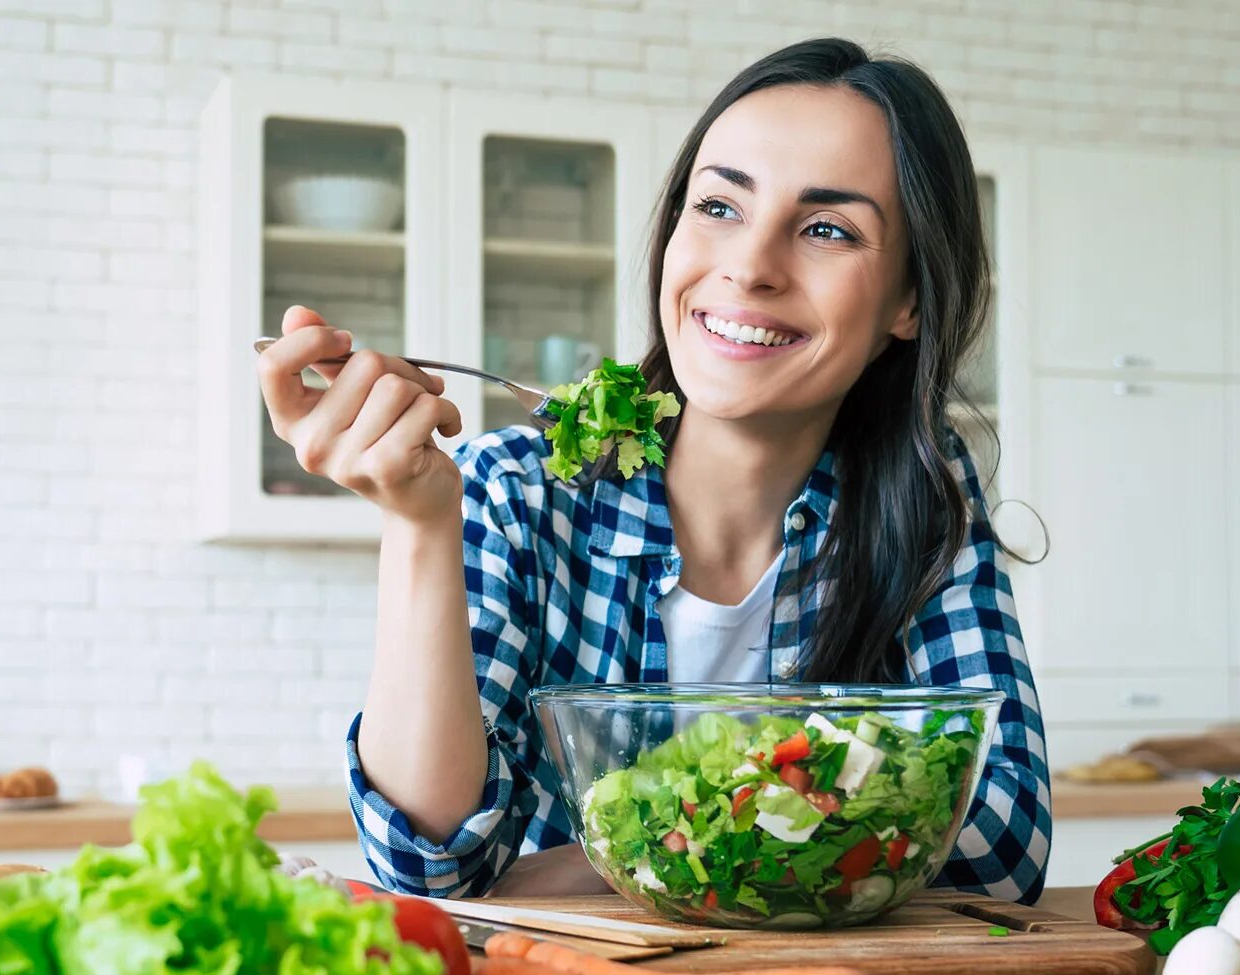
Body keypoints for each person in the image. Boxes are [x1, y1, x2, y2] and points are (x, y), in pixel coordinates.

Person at [256, 38, 1050, 904]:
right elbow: (433, 864)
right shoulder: (517, 491)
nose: (749, 266)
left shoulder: (926, 498)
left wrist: (614, 856)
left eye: (827, 229)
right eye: (718, 206)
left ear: (909, 301)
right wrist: (416, 524)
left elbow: (1001, 845)